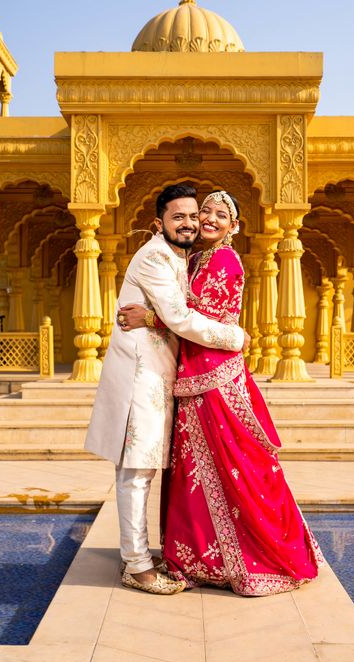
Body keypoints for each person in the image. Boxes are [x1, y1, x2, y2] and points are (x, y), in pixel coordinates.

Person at [123, 190, 322, 596]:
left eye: (219, 215)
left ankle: (245, 556)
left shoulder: (225, 259)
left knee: (234, 465)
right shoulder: (191, 258)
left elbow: (198, 317)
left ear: (234, 227)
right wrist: (156, 315)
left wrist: (154, 317)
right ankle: (201, 557)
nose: (208, 219)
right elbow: (182, 315)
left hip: (215, 374)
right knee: (196, 471)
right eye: (204, 212)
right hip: (192, 372)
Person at [83, 183, 249, 595]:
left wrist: (153, 317)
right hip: (142, 374)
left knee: (142, 468)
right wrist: (236, 338)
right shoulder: (157, 256)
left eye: (195, 216)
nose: (192, 223)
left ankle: (138, 552)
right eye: (180, 217)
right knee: (137, 471)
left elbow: (173, 314)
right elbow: (180, 317)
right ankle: (137, 567)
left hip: (159, 374)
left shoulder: (184, 257)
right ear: (160, 223)